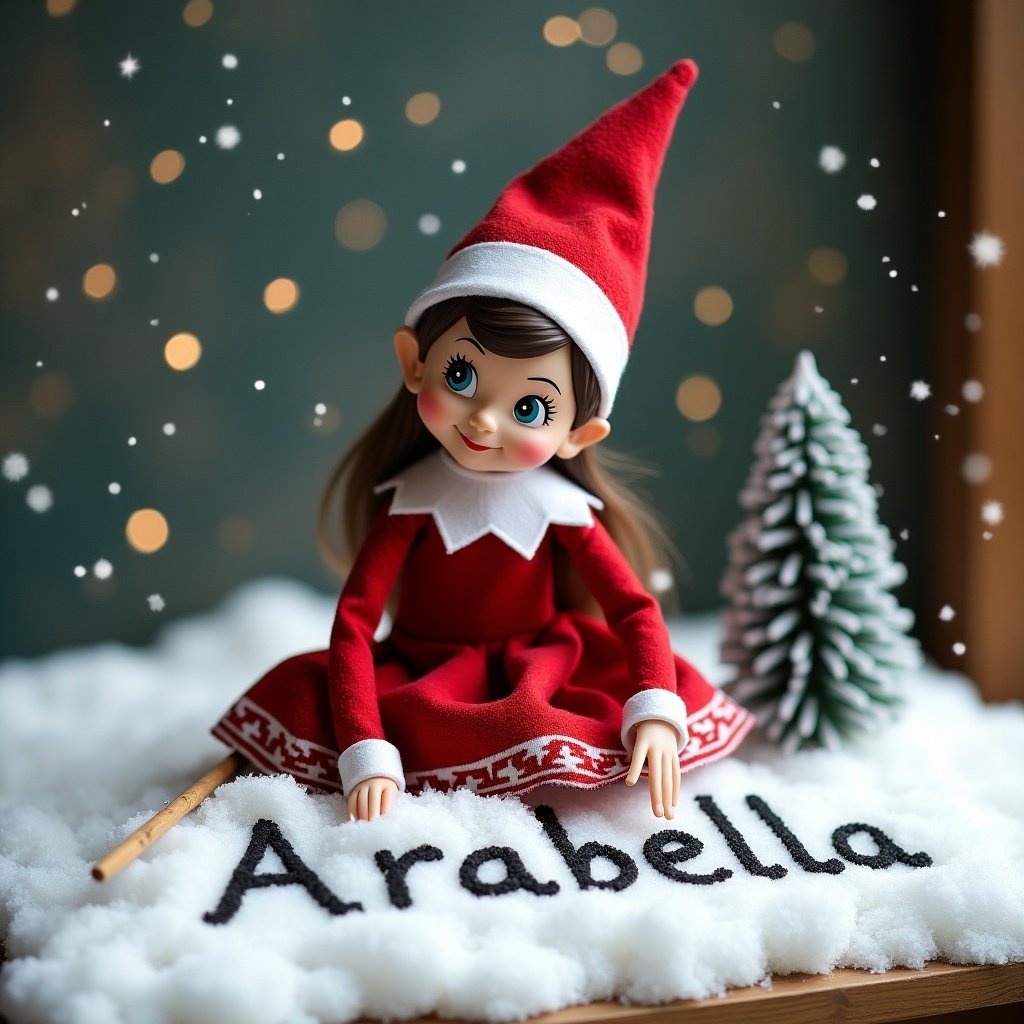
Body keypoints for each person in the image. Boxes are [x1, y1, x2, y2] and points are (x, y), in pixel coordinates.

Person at [212, 59, 753, 822]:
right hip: (423, 677)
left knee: (538, 722)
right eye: (461, 374)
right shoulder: (414, 501)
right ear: (413, 360)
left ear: (579, 434)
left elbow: (633, 611)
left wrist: (653, 705)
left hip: (546, 669)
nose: (485, 421)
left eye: (532, 410)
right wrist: (365, 745)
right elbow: (356, 627)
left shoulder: (560, 513)